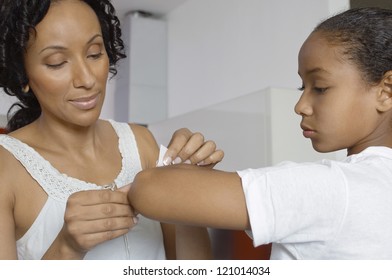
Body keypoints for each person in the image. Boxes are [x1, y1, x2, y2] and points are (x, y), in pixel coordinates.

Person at [128, 7, 392, 260]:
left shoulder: (334, 189)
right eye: (303, 86)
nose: (300, 106)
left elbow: (149, 190)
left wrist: (182, 169)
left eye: (320, 87)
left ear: (386, 91)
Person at [0, 0, 224, 260]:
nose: (87, 79)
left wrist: (189, 194)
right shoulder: (6, 167)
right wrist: (67, 247)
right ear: (23, 75)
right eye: (57, 62)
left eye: (95, 53)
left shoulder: (141, 142)